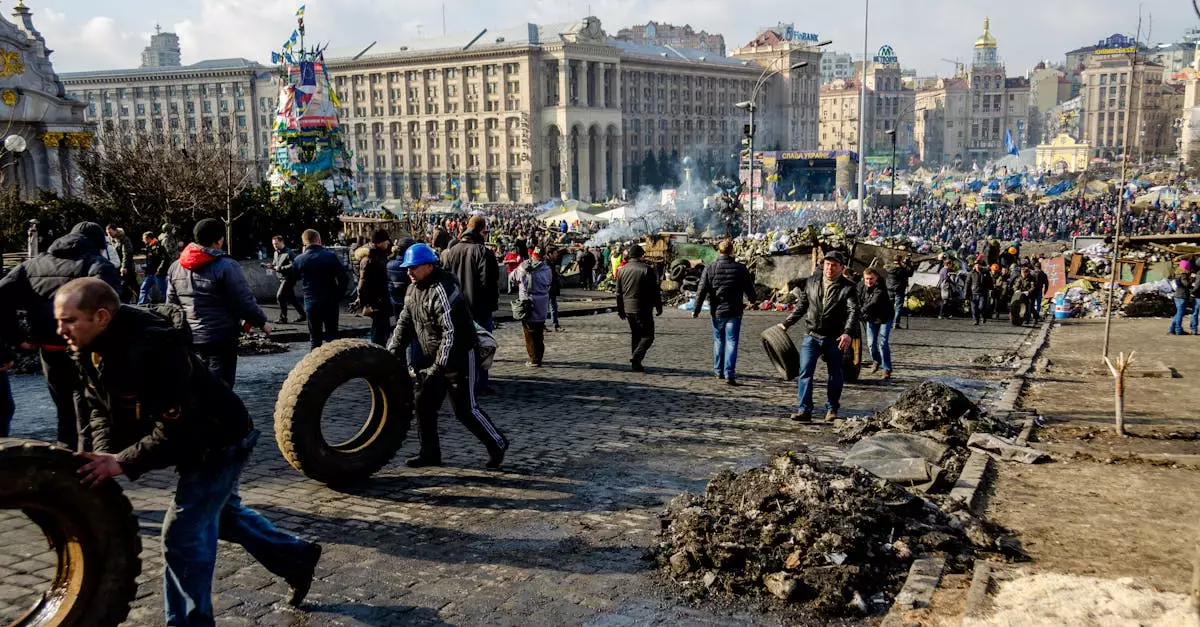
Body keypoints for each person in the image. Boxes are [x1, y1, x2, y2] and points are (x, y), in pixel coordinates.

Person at [54, 278, 322, 625]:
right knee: (222, 516)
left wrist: (121, 462)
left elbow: (178, 429)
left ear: (101, 316)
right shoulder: (89, 347)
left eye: (69, 320)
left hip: (217, 440)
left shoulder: (153, 349)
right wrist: (103, 455)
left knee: (182, 536)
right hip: (192, 440)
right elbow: (98, 408)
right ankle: (296, 557)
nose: (60, 329)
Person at [386, 244, 509, 469]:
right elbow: (404, 323)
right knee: (423, 404)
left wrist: (438, 367)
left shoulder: (443, 287)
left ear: (429, 266)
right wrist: (392, 351)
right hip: (432, 356)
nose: (409, 272)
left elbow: (450, 333)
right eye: (407, 268)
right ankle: (429, 453)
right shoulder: (413, 290)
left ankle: (497, 443)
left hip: (459, 356)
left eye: (413, 267)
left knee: (465, 409)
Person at [0, 222, 121, 450]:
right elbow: (112, 306)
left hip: (49, 350)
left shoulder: (32, 265)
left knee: (65, 411)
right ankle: (83, 464)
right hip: (85, 350)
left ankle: (65, 453)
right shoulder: (95, 264)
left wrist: (16, 336)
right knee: (89, 411)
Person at [166, 218, 269, 388]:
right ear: (218, 240)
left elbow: (172, 305)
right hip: (220, 337)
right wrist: (261, 321)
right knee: (221, 392)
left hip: (190, 338)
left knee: (196, 388)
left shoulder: (176, 266)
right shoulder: (226, 266)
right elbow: (243, 301)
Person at [777, 251, 859, 423]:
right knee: (805, 372)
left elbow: (853, 312)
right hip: (812, 334)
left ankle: (832, 409)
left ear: (841, 268)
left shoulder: (848, 287)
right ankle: (804, 409)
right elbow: (802, 306)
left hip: (835, 337)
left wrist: (847, 333)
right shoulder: (812, 281)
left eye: (834, 265)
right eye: (827, 264)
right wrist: (786, 323)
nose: (830, 268)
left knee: (835, 374)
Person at [440, 216, 500, 390]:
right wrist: (491, 305)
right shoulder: (483, 252)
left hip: (457, 306)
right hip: (479, 307)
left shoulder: (452, 251)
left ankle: (462, 380)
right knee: (482, 344)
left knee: (460, 345)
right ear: (482, 230)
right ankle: (480, 382)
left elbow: (446, 280)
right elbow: (488, 282)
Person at [692, 239, 755, 385]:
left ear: (718, 251)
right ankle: (729, 373)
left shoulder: (710, 268)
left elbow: (701, 290)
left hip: (717, 311)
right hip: (734, 311)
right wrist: (753, 299)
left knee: (719, 340)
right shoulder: (740, 268)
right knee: (732, 341)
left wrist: (696, 310)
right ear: (732, 251)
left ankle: (718, 371)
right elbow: (749, 288)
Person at [292, 229, 349, 350]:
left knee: (315, 338)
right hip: (330, 301)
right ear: (319, 240)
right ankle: (333, 365)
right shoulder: (330, 256)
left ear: (304, 243)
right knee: (332, 338)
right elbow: (344, 279)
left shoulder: (299, 260)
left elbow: (293, 278)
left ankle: (316, 365)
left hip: (311, 302)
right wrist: (338, 296)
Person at [615, 244, 663, 372]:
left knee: (635, 335)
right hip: (643, 307)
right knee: (648, 336)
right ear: (641, 255)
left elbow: (618, 293)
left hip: (628, 308)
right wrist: (659, 306)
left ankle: (636, 364)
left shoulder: (622, 270)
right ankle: (636, 357)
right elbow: (655, 291)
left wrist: (620, 309)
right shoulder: (647, 269)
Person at [512, 247, 553, 367]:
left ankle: (534, 359)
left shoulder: (523, 268)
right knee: (539, 332)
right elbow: (549, 282)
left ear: (532, 256)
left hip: (527, 303)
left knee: (529, 332)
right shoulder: (547, 269)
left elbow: (512, 278)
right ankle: (538, 356)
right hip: (542, 304)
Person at [355, 229, 393, 345]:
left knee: (382, 328)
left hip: (378, 298)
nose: (388, 244)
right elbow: (363, 283)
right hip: (377, 300)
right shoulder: (371, 258)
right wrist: (361, 300)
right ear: (380, 242)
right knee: (379, 330)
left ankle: (378, 353)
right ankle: (377, 355)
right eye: (386, 241)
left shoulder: (376, 255)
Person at [858, 267, 894, 380]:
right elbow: (857, 298)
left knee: (883, 343)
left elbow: (873, 302)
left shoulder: (881, 288)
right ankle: (877, 360)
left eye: (871, 279)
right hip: (871, 318)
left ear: (876, 278)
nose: (869, 281)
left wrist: (861, 311)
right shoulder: (861, 286)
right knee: (871, 343)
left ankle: (886, 369)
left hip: (885, 317)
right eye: (867, 279)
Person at [265, 236, 305, 325]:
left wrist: (281, 268)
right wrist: (270, 266)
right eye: (273, 244)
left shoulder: (289, 252)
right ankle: (303, 315)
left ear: (282, 242)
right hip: (282, 278)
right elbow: (275, 265)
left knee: (280, 296)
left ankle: (283, 318)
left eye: (276, 244)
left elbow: (294, 265)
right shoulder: (276, 253)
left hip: (289, 278)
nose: (274, 246)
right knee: (292, 298)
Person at [107, 224, 137, 302]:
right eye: (107, 233)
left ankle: (139, 301)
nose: (109, 234)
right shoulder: (112, 241)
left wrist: (124, 266)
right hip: (118, 267)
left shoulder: (124, 239)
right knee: (126, 285)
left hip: (126, 267)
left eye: (110, 232)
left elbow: (126, 253)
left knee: (130, 285)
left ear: (116, 231)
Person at [138, 231, 169, 306]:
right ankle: (141, 304)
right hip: (150, 273)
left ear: (148, 238)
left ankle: (169, 304)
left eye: (144, 239)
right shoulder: (149, 247)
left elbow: (165, 259)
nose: (143, 240)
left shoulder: (158, 247)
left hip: (157, 273)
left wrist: (159, 270)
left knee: (163, 290)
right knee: (143, 288)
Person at [886, 256, 913, 327]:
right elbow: (910, 273)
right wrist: (908, 265)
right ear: (900, 260)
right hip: (899, 288)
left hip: (890, 288)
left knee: (890, 306)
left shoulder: (889, 268)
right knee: (898, 306)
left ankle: (888, 322)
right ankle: (896, 323)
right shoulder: (901, 269)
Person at [965, 260, 992, 326]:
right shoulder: (971, 273)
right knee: (974, 308)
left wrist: (991, 288)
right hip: (973, 293)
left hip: (983, 293)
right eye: (976, 265)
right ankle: (976, 320)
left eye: (978, 265)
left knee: (981, 307)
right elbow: (967, 283)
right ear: (974, 266)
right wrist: (966, 293)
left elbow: (990, 282)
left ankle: (983, 316)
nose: (977, 266)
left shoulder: (986, 272)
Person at [1171, 270, 1192, 335]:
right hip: (1181, 296)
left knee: (1178, 313)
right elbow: (1186, 284)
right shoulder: (1183, 276)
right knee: (1180, 313)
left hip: (1178, 296)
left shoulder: (1178, 275)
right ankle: (1178, 330)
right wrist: (1192, 279)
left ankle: (1171, 329)